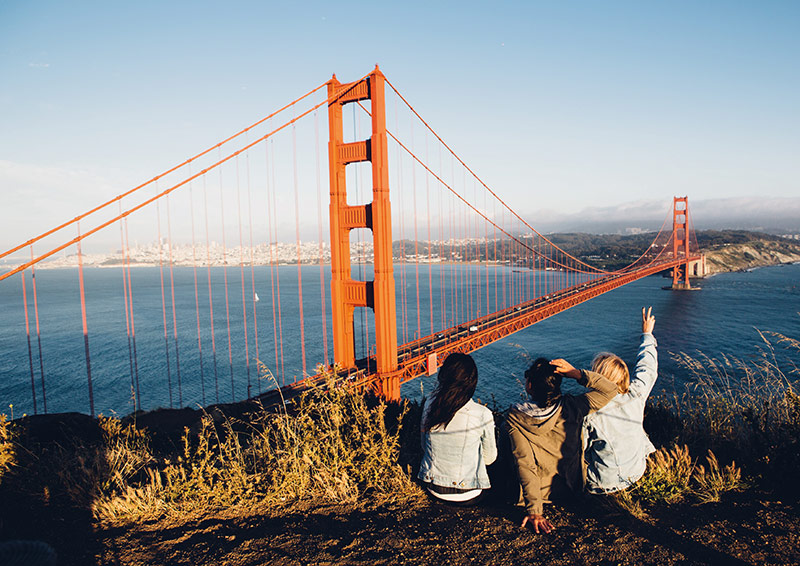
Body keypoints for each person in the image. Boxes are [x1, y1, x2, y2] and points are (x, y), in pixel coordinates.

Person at [507, 357, 617, 533]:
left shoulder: (516, 418)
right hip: (571, 489)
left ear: (529, 386)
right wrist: (576, 373)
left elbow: (525, 464)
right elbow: (610, 390)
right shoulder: (574, 406)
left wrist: (535, 511)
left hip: (539, 495)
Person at [582, 307, 658, 494]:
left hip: (601, 483)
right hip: (636, 472)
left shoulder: (589, 412)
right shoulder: (636, 395)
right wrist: (647, 334)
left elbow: (578, 451)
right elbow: (648, 367)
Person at [418, 353, 497, 505]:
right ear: (472, 382)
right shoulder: (482, 414)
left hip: (433, 488)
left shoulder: (429, 404)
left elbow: (423, 446)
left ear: (443, 377)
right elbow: (489, 459)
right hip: (468, 494)